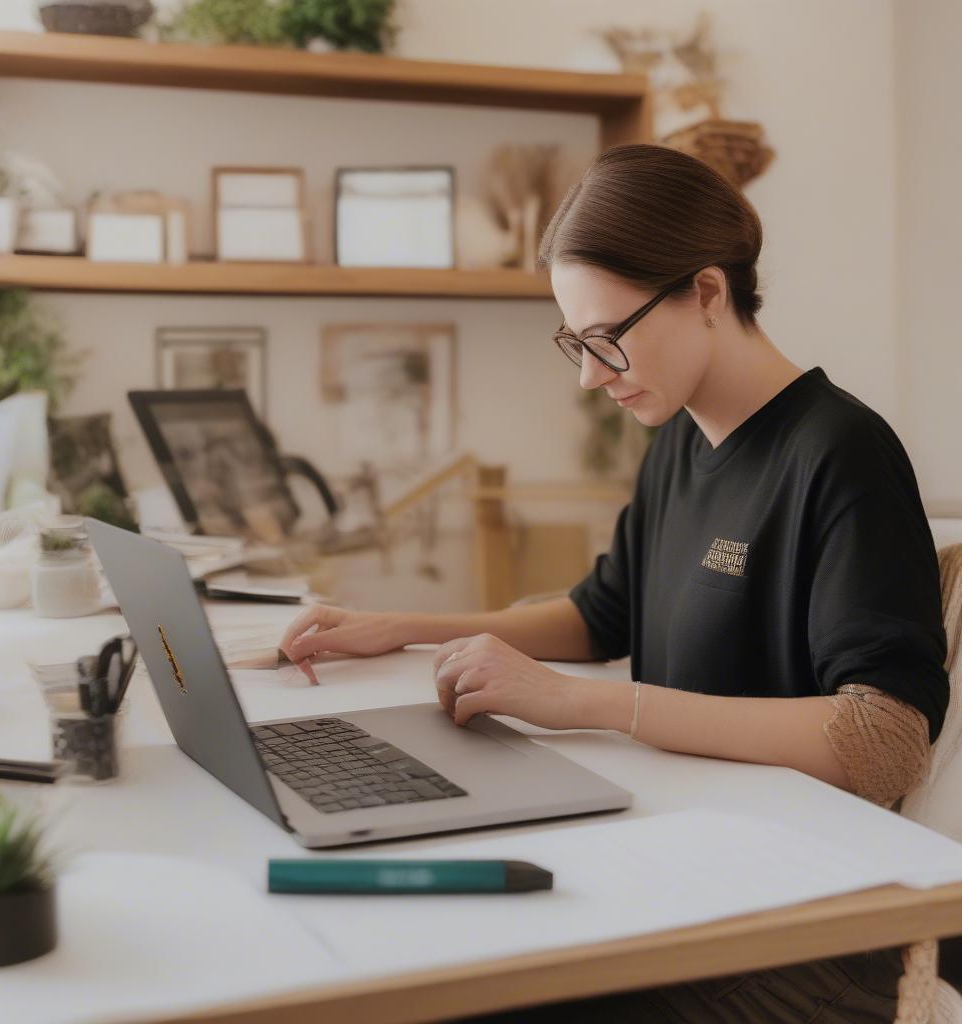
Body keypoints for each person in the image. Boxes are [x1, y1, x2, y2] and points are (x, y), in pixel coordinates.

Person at [278, 144, 949, 1023]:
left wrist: (586, 705)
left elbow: (887, 739)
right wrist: (402, 627)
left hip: (796, 937)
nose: (592, 376)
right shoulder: (676, 438)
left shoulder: (840, 453)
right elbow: (603, 615)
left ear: (707, 292)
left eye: (607, 341)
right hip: (682, 867)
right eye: (576, 344)